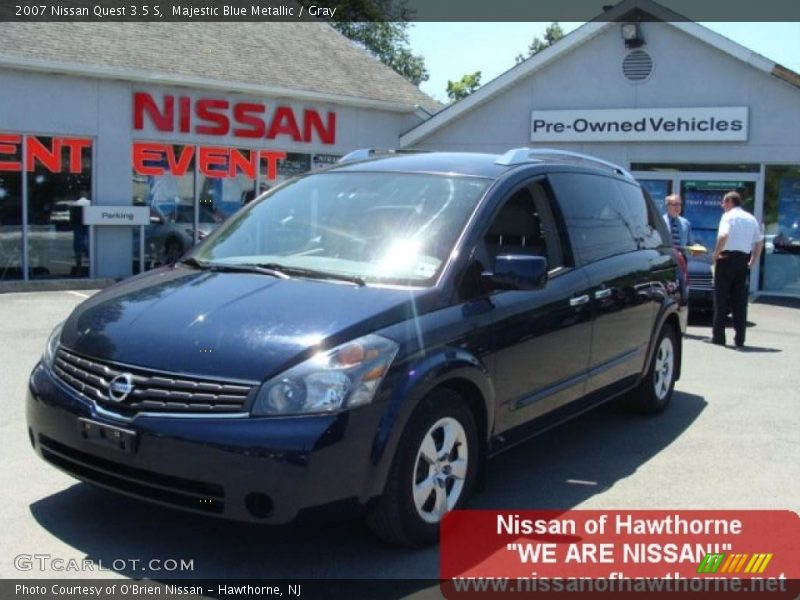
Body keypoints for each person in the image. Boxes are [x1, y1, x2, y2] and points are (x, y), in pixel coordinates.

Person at [710, 191, 764, 348]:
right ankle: (740, 338)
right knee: (740, 301)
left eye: (723, 203)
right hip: (742, 260)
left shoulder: (728, 216)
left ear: (729, 202)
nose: (722, 206)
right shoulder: (751, 218)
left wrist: (716, 254)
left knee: (720, 300)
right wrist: (752, 261)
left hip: (726, 258)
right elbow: (759, 242)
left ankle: (719, 337)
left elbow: (723, 235)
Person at [71, 190, 91, 275]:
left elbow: (72, 217)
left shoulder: (75, 204)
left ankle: (78, 269)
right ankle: (91, 269)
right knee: (88, 248)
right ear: (86, 195)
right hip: (87, 227)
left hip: (78, 227)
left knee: (78, 250)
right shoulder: (90, 203)